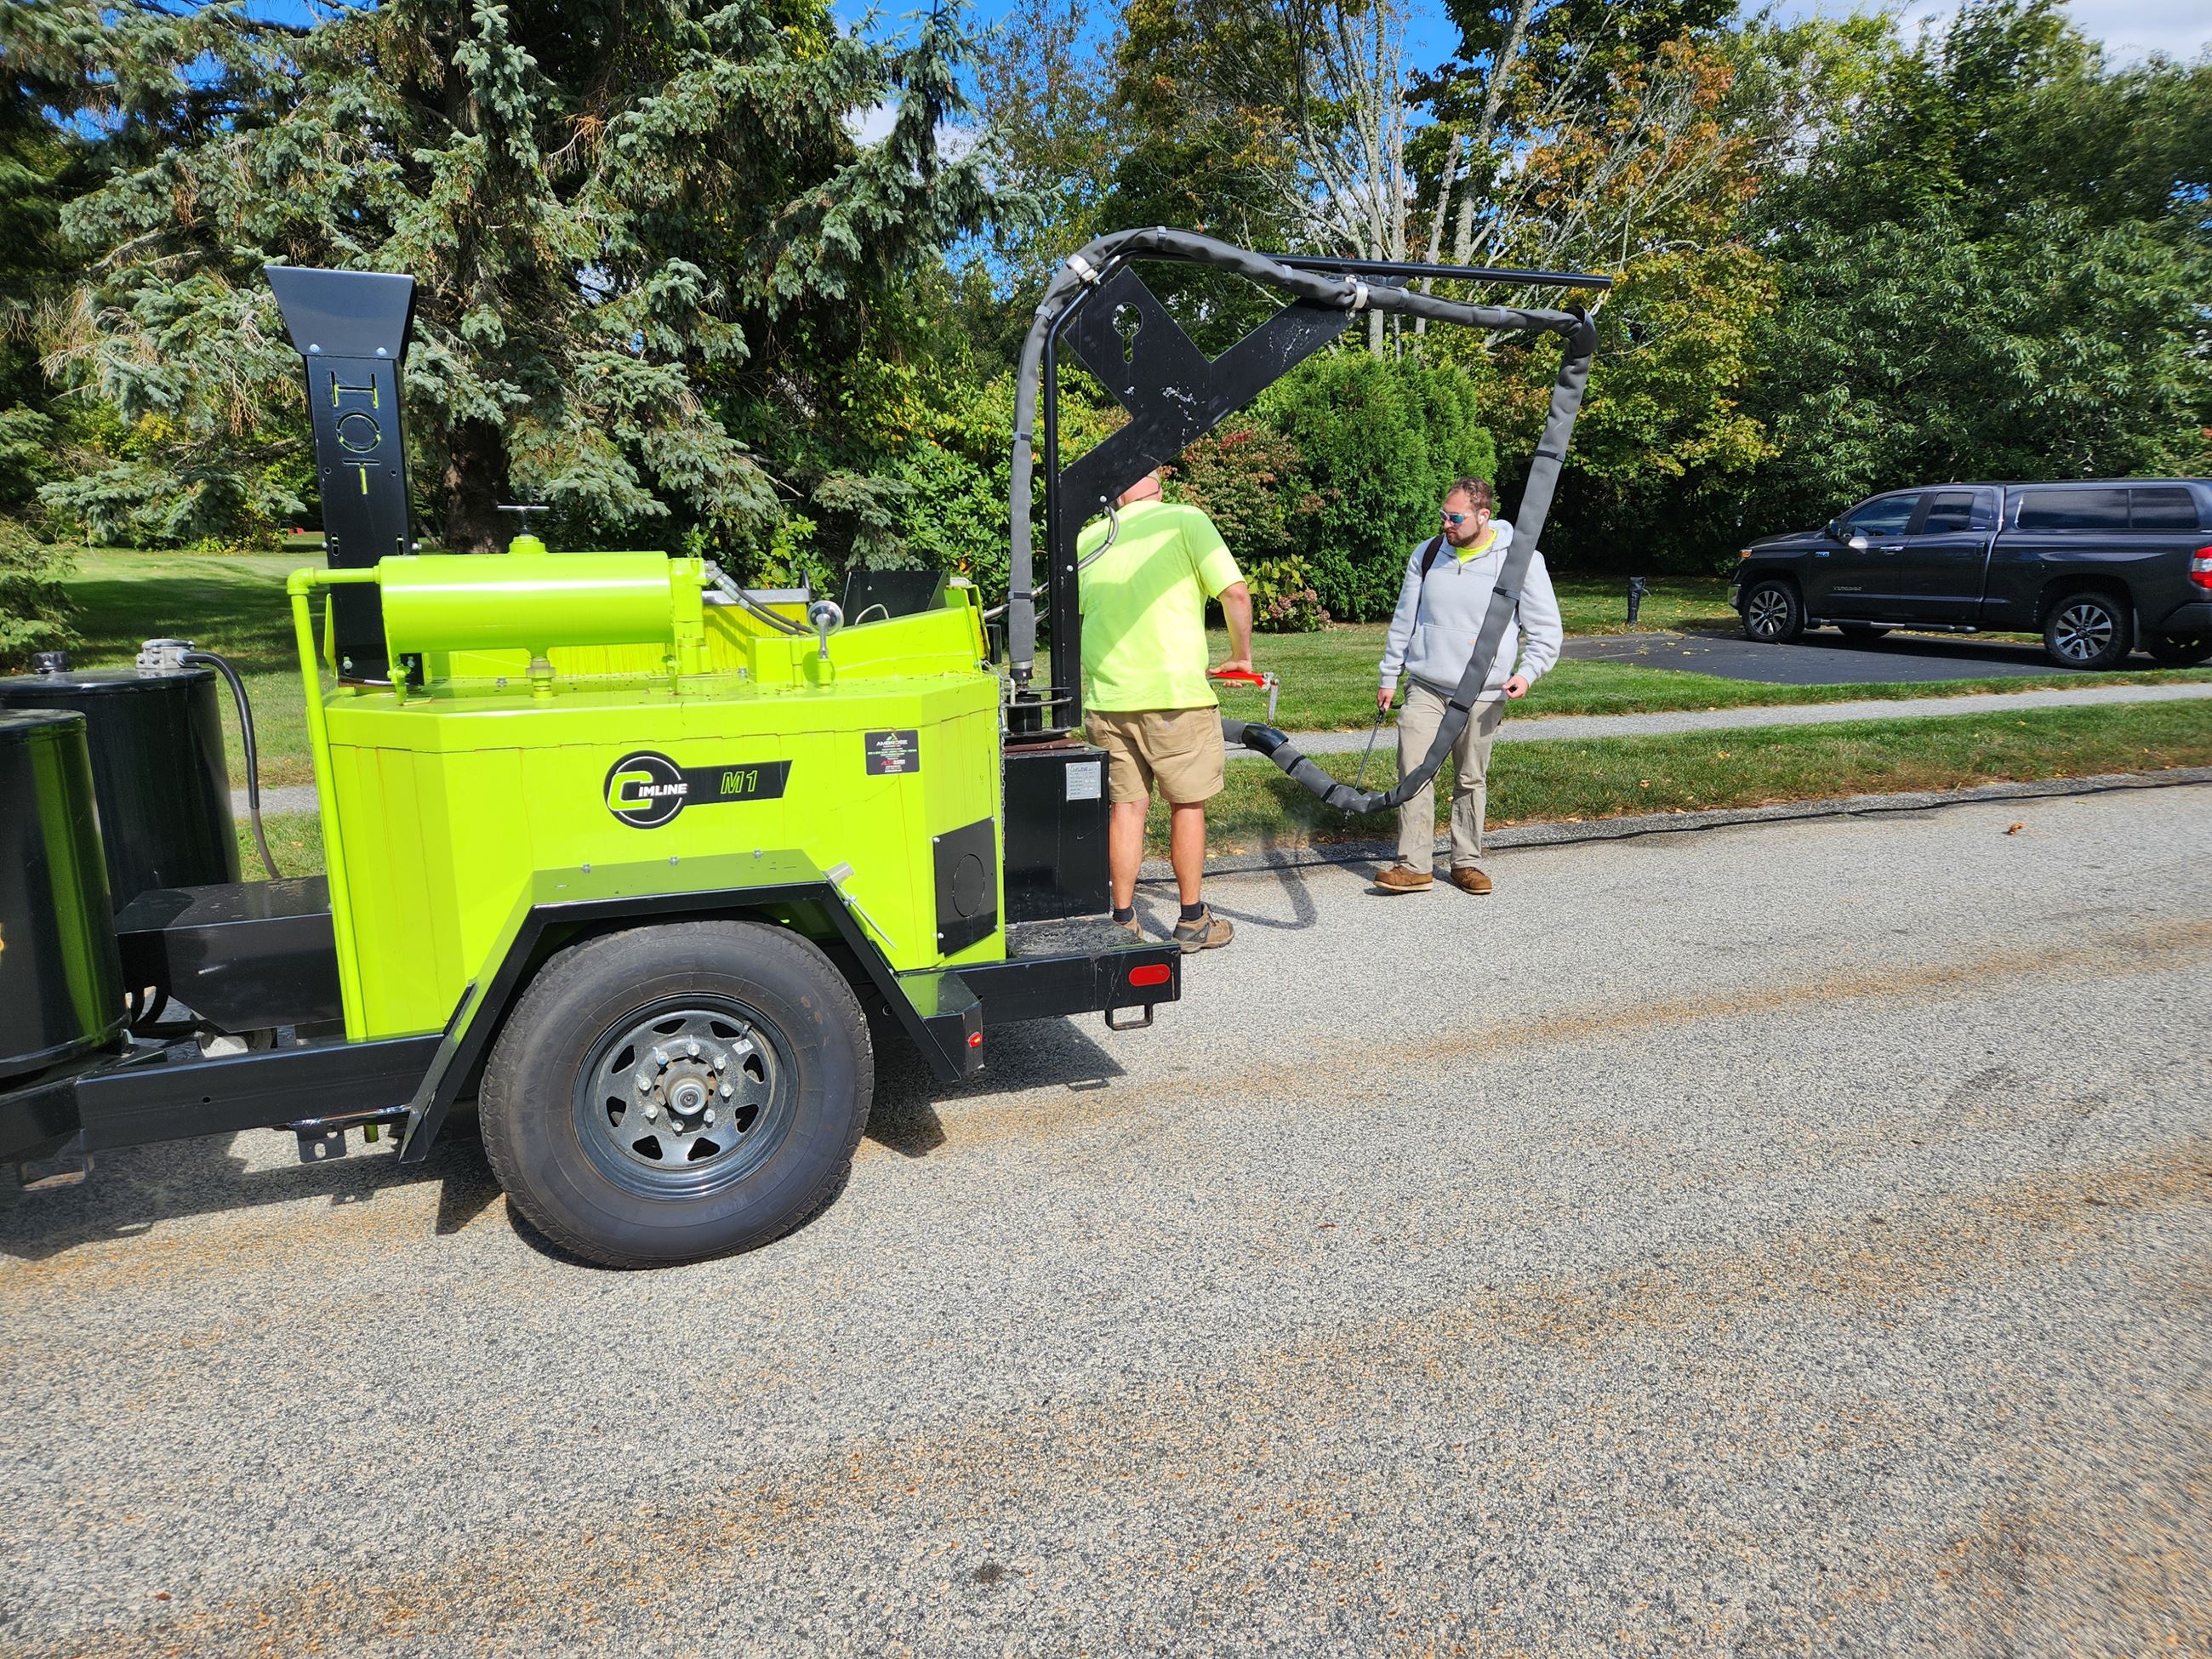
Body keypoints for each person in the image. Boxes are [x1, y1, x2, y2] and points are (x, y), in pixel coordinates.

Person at [1077, 469, 1255, 952]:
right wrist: (1242, 658)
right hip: (1176, 697)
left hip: (1108, 700)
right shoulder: (1185, 521)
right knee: (1186, 804)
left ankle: (1122, 920)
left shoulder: (1089, 538)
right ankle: (1192, 921)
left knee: (1126, 808)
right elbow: (1235, 593)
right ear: (1156, 487)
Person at [1373, 477, 1561, 896]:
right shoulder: (1429, 553)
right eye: (1443, 515)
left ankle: (1466, 862)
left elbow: (1546, 629)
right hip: (1426, 685)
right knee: (1414, 771)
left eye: (1454, 517)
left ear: (1482, 515)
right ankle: (1413, 865)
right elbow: (1405, 619)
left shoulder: (1519, 561)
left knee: (1471, 778)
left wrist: (1527, 673)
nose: (1446, 524)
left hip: (1484, 689)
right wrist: (1390, 674)